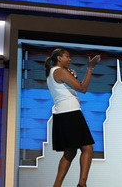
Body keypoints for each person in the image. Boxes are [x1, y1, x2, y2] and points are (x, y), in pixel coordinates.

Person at [45, 48, 101, 187]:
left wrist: (71, 77)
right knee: (87, 148)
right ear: (59, 58)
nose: (70, 59)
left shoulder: (53, 72)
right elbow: (82, 88)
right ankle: (82, 184)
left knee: (70, 152)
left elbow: (66, 87)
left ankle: (57, 185)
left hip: (61, 114)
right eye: (67, 57)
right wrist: (90, 68)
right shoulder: (60, 71)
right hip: (71, 113)